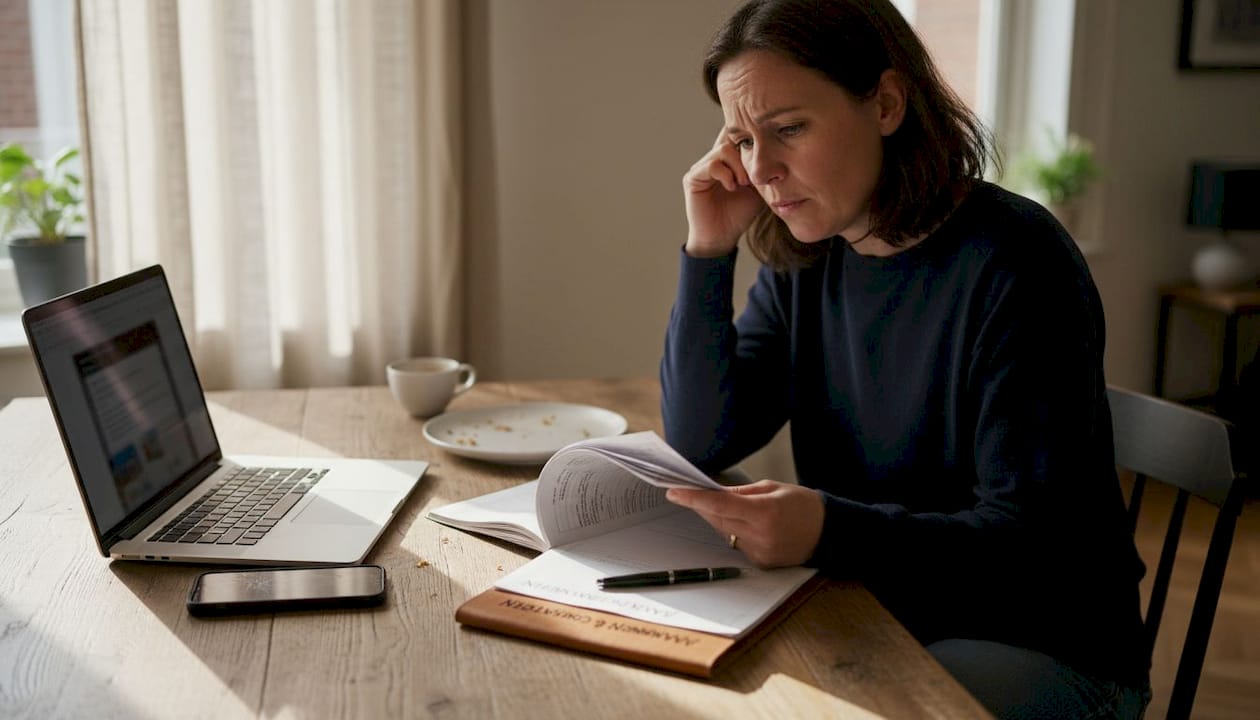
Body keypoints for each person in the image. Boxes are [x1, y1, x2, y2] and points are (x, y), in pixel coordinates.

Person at [659, 1, 1152, 717]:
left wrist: (829, 527)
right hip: (877, 612)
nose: (761, 170)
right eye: (740, 139)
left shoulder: (1018, 262)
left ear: (886, 104)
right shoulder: (807, 257)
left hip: (1047, 649)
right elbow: (701, 439)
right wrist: (708, 251)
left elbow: (1030, 553)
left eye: (788, 129)